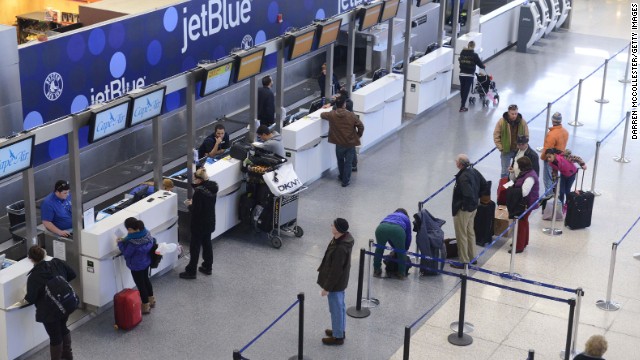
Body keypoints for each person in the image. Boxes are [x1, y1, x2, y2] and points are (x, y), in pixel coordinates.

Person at [24, 245, 76, 360]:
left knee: (55, 337)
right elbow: (73, 274)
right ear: (44, 254)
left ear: (30, 259)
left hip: (49, 312)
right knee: (63, 328)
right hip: (65, 303)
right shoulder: (57, 263)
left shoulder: (34, 277)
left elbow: (30, 298)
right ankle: (68, 356)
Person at [317, 218, 354, 346]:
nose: (331, 226)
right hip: (340, 282)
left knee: (336, 308)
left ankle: (337, 337)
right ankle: (339, 330)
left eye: (333, 225)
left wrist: (326, 288)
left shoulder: (340, 248)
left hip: (336, 284)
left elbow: (335, 271)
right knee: (340, 307)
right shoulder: (341, 239)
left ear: (338, 229)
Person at [180, 168, 219, 279]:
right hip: (210, 221)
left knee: (195, 247)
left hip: (199, 224)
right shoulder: (213, 188)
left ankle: (191, 271)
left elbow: (196, 211)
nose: (193, 180)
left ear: (199, 180)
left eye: (194, 179)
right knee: (207, 244)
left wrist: (189, 204)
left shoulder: (199, 193)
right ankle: (207, 267)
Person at [320, 96, 365, 187]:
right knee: (348, 163)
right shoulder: (351, 115)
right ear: (344, 105)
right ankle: (345, 181)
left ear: (336, 105)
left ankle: (341, 176)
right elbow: (361, 126)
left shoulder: (332, 114)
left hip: (339, 143)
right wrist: (358, 135)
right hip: (350, 142)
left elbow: (322, 115)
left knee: (340, 161)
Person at [451, 154, 487, 268]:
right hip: (473, 208)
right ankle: (472, 257)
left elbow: (468, 194)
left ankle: (464, 261)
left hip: (464, 210)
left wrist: (464, 206)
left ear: (460, 164)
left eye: (456, 161)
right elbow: (484, 183)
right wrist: (476, 200)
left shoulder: (463, 177)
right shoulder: (473, 170)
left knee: (461, 234)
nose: (455, 162)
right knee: (470, 232)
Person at [117, 217, 155, 314]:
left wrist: (120, 243)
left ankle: (145, 306)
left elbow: (126, 253)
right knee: (146, 280)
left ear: (130, 229)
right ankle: (151, 300)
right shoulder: (147, 234)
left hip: (136, 266)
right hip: (146, 262)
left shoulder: (132, 242)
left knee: (140, 285)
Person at [509, 157, 539, 254]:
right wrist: (512, 174)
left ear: (522, 166)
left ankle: (519, 247)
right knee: (524, 222)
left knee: (521, 224)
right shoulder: (526, 173)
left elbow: (524, 192)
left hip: (526, 204)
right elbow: (515, 182)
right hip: (525, 203)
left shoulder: (530, 177)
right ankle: (523, 242)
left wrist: (510, 191)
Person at [372, 209, 412, 280]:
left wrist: (394, 247)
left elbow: (389, 237)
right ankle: (401, 273)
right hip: (398, 230)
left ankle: (376, 270)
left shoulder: (390, 215)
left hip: (381, 228)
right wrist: (404, 248)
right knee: (401, 253)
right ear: (406, 214)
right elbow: (408, 237)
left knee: (379, 249)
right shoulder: (406, 218)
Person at [544, 148, 586, 212]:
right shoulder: (551, 163)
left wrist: (582, 164)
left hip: (572, 174)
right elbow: (554, 172)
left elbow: (576, 158)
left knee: (567, 190)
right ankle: (561, 205)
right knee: (561, 191)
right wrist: (554, 182)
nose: (548, 159)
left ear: (554, 155)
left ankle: (567, 204)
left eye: (550, 157)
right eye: (547, 157)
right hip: (563, 175)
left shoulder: (564, 157)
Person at [493, 104, 529, 178]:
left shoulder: (522, 122)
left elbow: (526, 136)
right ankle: (504, 188)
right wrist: (501, 147)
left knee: (518, 170)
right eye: (512, 114)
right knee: (504, 172)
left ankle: (515, 186)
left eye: (516, 113)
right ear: (508, 113)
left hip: (519, 150)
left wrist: (523, 147)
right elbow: (496, 135)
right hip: (506, 151)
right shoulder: (501, 122)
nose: (514, 116)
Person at [540, 112, 569, 194]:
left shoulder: (551, 134)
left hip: (550, 159)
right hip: (559, 159)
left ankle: (548, 196)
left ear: (552, 121)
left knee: (548, 178)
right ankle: (555, 195)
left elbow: (547, 149)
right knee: (555, 177)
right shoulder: (565, 132)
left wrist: (543, 158)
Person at [458, 40, 485, 112]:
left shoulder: (462, 52)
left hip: (461, 74)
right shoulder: (474, 55)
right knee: (466, 91)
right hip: (469, 75)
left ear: (468, 45)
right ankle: (462, 106)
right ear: (474, 46)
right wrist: (483, 66)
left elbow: (460, 60)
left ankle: (462, 104)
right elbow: (480, 64)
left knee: (462, 89)